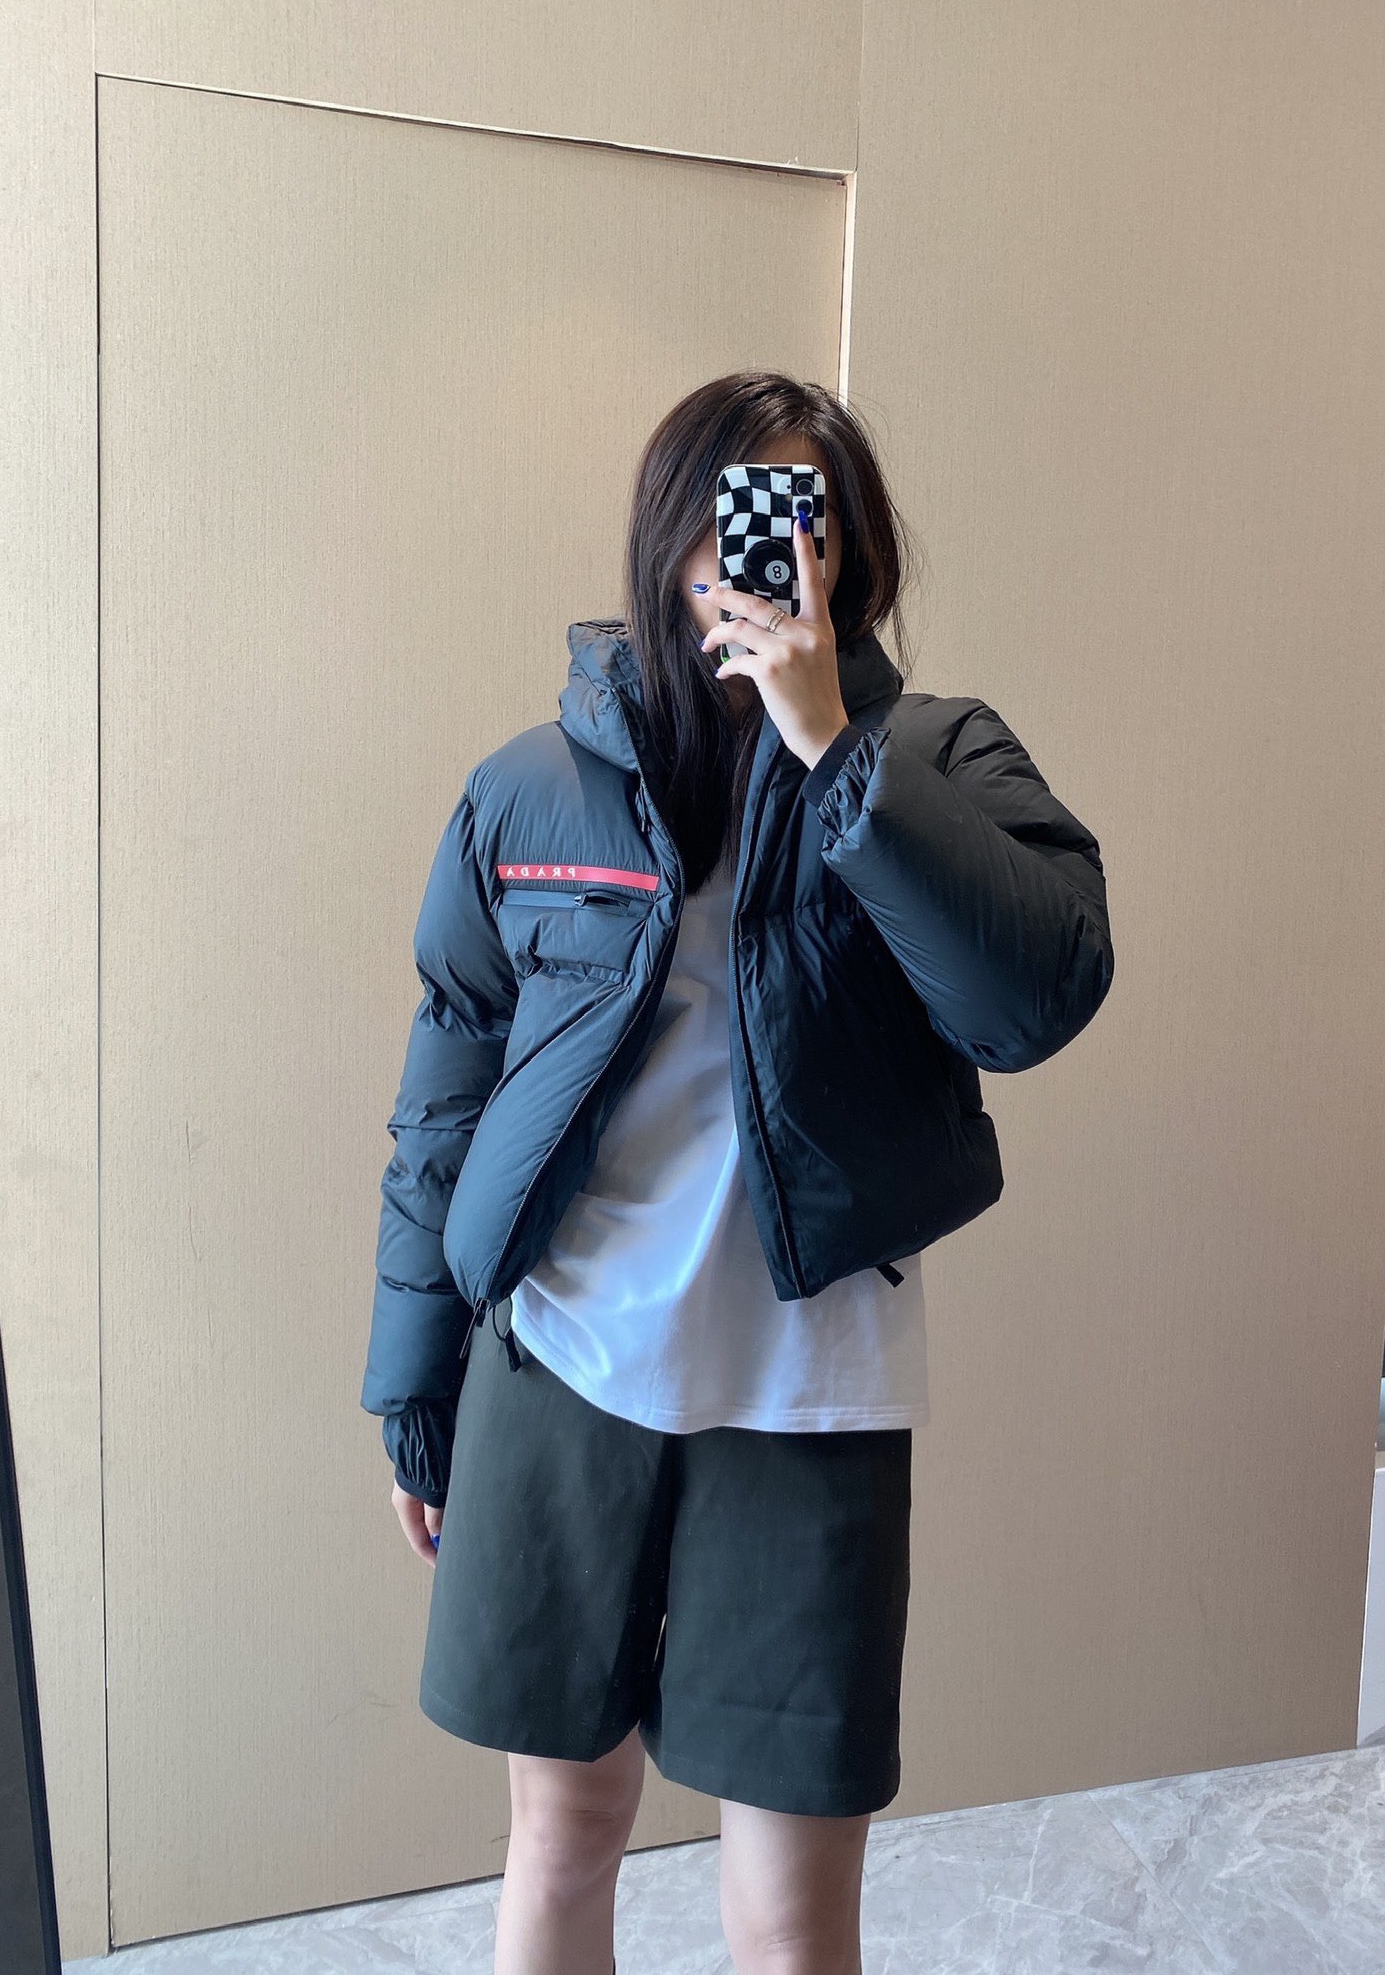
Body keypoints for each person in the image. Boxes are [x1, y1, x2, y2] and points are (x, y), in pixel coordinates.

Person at [360, 370, 1115, 1975]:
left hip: (808, 1395)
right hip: (561, 1363)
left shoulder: (936, 755)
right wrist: (413, 1380)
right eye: (725, 519)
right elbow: (445, 1095)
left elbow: (1032, 998)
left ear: (850, 552)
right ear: (665, 537)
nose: (755, 560)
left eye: (795, 522)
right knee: (561, 1837)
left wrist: (832, 746)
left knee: (787, 1914)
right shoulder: (530, 789)